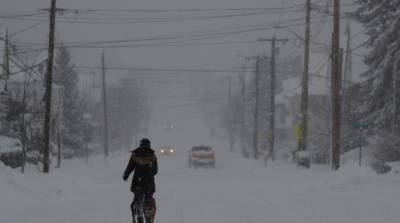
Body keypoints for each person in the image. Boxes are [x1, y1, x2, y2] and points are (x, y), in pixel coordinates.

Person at [123, 138, 158, 223]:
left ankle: (146, 215)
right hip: (140, 181)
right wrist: (126, 174)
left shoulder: (151, 155)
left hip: (145, 181)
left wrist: (126, 174)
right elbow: (130, 166)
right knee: (139, 199)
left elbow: (155, 170)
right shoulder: (137, 154)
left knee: (146, 199)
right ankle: (140, 216)